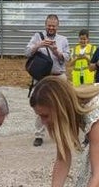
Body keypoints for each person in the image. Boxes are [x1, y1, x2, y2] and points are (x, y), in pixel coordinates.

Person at [25, 14, 70, 146]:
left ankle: (61, 133)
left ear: (57, 26)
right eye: (49, 25)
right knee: (40, 106)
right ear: (45, 25)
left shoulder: (63, 39)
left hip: (58, 76)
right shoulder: (37, 36)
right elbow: (27, 52)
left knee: (61, 106)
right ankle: (39, 135)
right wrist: (38, 45)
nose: (51, 28)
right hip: (42, 77)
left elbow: (67, 58)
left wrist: (56, 51)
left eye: (53, 26)